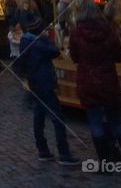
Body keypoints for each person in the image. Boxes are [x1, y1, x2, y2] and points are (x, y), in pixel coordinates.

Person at [69, 0, 121, 173]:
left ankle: (105, 164)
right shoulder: (108, 30)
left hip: (88, 82)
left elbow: (74, 57)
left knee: (96, 122)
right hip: (107, 79)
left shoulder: (76, 33)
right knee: (117, 120)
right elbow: (118, 55)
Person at [18, 27, 79, 165]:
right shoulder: (39, 45)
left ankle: (43, 149)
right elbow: (55, 51)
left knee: (38, 116)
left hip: (34, 82)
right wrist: (46, 39)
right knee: (57, 117)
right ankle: (63, 152)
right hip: (44, 83)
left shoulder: (25, 41)